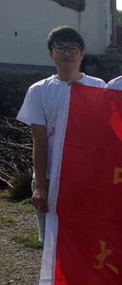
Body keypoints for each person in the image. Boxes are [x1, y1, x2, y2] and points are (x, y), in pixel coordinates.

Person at [17, 26, 106, 243]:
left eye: (73, 48)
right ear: (51, 53)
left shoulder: (98, 86)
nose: (67, 53)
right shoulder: (39, 90)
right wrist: (40, 186)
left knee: (85, 242)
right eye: (60, 48)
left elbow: (106, 133)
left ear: (82, 54)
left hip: (85, 178)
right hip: (50, 177)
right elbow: (39, 140)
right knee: (51, 243)